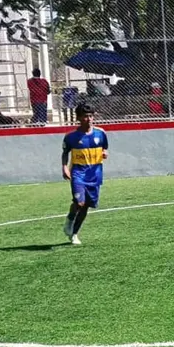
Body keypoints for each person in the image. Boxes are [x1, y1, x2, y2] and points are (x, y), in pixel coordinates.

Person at [61, 104, 108, 246]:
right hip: (78, 174)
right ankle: (70, 220)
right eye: (85, 116)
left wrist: (105, 153)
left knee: (86, 205)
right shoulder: (71, 137)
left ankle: (74, 234)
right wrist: (64, 167)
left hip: (95, 175)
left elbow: (104, 148)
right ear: (79, 118)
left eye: (91, 116)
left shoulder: (101, 133)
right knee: (79, 203)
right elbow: (65, 152)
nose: (89, 119)